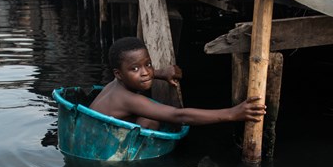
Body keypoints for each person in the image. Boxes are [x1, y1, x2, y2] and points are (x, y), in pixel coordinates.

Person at [90, 37, 266, 130]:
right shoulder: (127, 99)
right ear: (118, 74)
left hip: (86, 132)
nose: (145, 72)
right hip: (101, 151)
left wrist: (160, 73)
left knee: (148, 116)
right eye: (135, 69)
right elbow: (179, 116)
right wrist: (233, 113)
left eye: (148, 64)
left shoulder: (114, 85)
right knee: (151, 120)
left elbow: (140, 72)